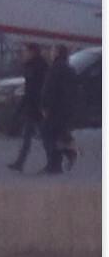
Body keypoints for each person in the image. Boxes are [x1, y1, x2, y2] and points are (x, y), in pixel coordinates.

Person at [7, 43, 48, 172]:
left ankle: (54, 161)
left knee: (43, 136)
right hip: (33, 106)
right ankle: (20, 163)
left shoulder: (37, 67)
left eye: (26, 51)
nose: (24, 53)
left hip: (36, 106)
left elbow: (35, 89)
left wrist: (30, 106)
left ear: (33, 52)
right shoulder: (34, 66)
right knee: (29, 136)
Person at [39, 45, 78, 174]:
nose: (51, 53)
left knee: (47, 134)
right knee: (57, 133)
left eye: (52, 50)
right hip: (66, 108)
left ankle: (55, 163)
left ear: (57, 53)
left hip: (55, 108)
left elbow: (49, 89)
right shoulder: (69, 69)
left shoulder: (55, 69)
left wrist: (45, 106)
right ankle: (66, 155)